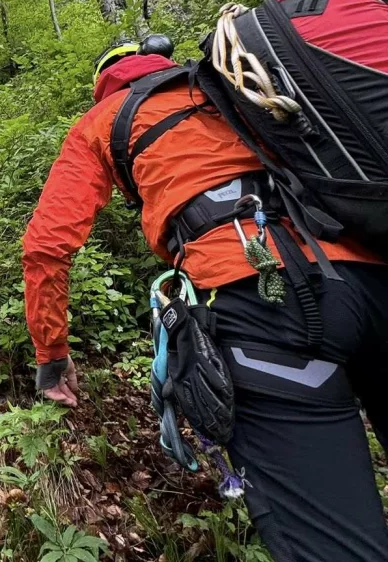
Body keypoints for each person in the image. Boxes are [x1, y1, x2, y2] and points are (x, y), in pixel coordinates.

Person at [22, 16, 388, 562]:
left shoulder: (101, 122)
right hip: (369, 270)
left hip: (255, 299)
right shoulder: (231, 79)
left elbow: (47, 246)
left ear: (104, 83)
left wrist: (52, 356)